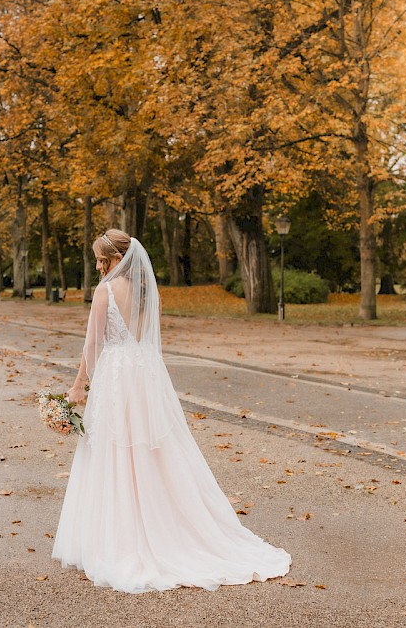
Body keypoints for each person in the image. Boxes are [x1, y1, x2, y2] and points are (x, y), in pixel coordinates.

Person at [52, 228, 291, 593]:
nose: (98, 267)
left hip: (117, 378)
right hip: (145, 379)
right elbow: (146, 338)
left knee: (116, 451)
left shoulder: (105, 291)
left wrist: (78, 385)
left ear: (117, 259)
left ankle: (121, 539)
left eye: (101, 260)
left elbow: (93, 344)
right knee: (153, 453)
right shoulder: (148, 294)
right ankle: (168, 526)